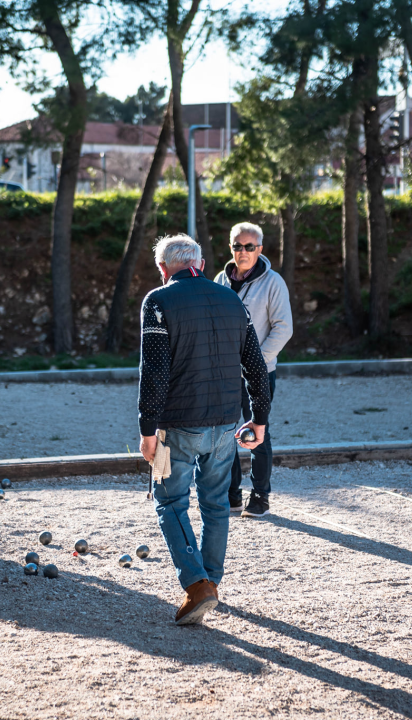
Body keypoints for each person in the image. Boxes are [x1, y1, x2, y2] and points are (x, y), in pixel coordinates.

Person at [138, 234, 271, 626]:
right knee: (215, 504)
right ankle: (211, 580)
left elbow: (154, 372)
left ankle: (198, 585)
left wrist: (147, 429)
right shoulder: (231, 299)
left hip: (174, 428)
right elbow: (256, 365)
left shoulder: (158, 301)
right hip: (226, 425)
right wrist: (259, 419)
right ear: (199, 263)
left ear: (163, 267)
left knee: (169, 502)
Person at [215, 222, 292, 518]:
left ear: (260, 249)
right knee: (225, 434)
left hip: (259, 372)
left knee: (257, 432)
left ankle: (260, 496)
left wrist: (256, 362)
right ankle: (232, 495)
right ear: (231, 248)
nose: (243, 251)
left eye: (249, 246)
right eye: (238, 246)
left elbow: (283, 328)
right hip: (225, 373)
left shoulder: (273, 282)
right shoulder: (220, 280)